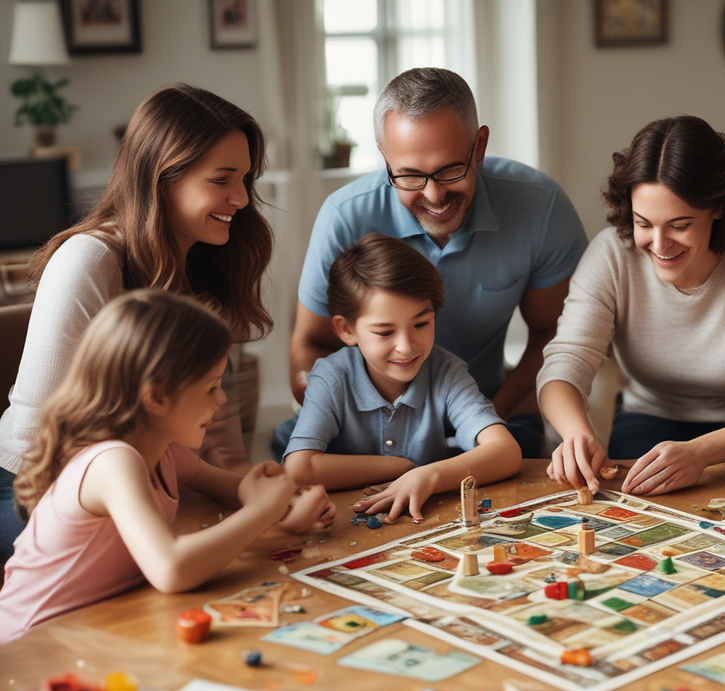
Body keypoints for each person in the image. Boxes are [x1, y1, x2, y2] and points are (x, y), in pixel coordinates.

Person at [0, 83, 279, 561]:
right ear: (163, 178)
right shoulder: (89, 261)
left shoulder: (207, 262)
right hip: (34, 490)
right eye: (222, 180)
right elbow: (39, 444)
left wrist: (257, 496)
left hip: (143, 478)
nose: (241, 199)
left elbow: (222, 440)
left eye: (245, 181)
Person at [283, 67, 588, 461]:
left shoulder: (540, 206)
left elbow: (556, 333)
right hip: (371, 428)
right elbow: (311, 344)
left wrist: (487, 415)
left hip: (488, 407)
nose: (433, 194)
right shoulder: (343, 217)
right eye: (409, 175)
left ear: (479, 146)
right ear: (385, 157)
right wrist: (352, 421)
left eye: (449, 170)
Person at [0, 292, 335, 643]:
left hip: (96, 629)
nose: (221, 399)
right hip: (31, 645)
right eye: (212, 387)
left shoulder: (163, 452)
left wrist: (286, 507)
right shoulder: (113, 461)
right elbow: (171, 569)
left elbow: (235, 490)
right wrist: (265, 510)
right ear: (157, 397)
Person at [537, 115, 725, 497]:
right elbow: (564, 362)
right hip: (647, 419)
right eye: (643, 223)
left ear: (718, 208)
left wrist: (700, 453)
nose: (659, 243)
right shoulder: (610, 254)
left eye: (680, 225)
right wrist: (575, 434)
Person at [283, 233, 522, 523]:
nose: (407, 346)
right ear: (346, 329)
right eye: (385, 332)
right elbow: (298, 469)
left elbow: (506, 451)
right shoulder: (331, 377)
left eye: (421, 323)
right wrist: (399, 467)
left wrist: (428, 475)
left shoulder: (446, 372)